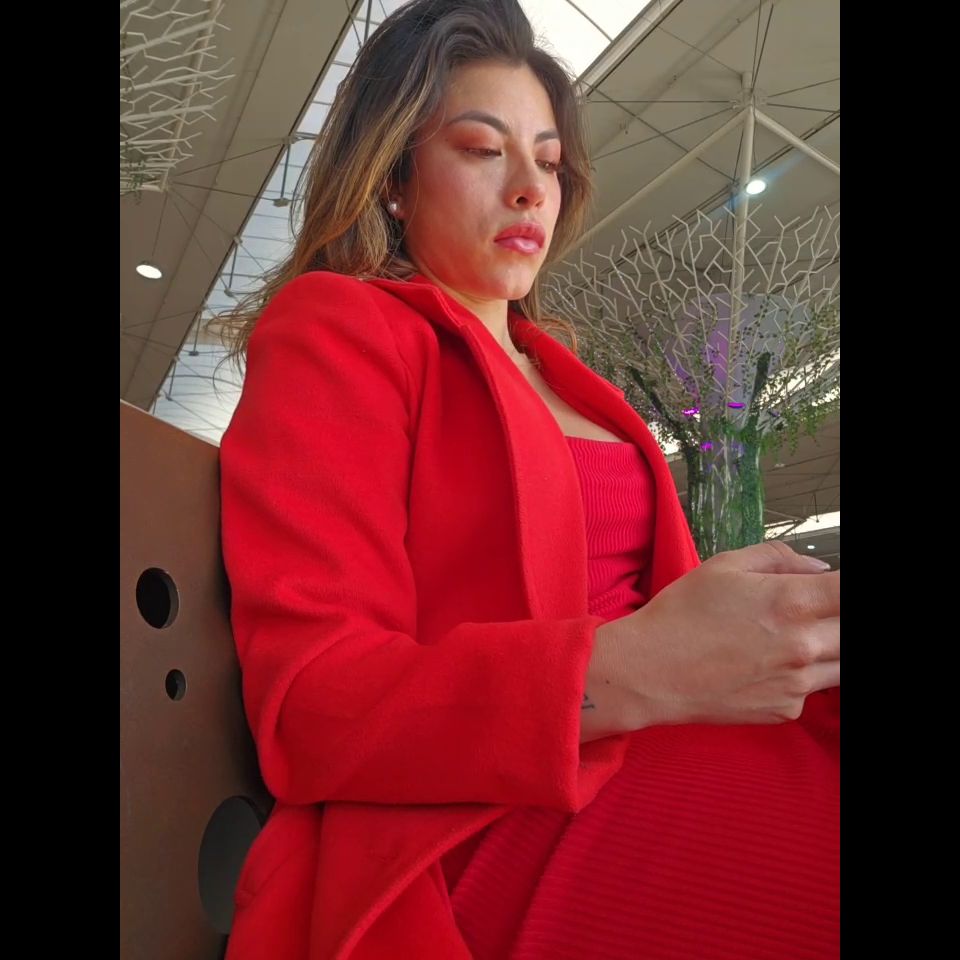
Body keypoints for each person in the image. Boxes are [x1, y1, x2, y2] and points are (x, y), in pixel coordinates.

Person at [216, 1, 840, 957]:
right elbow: (312, 706)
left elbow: (673, 615)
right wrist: (638, 668)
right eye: (481, 149)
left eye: (548, 163)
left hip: (686, 751)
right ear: (393, 180)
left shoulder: (572, 376)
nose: (528, 190)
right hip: (495, 815)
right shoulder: (340, 327)